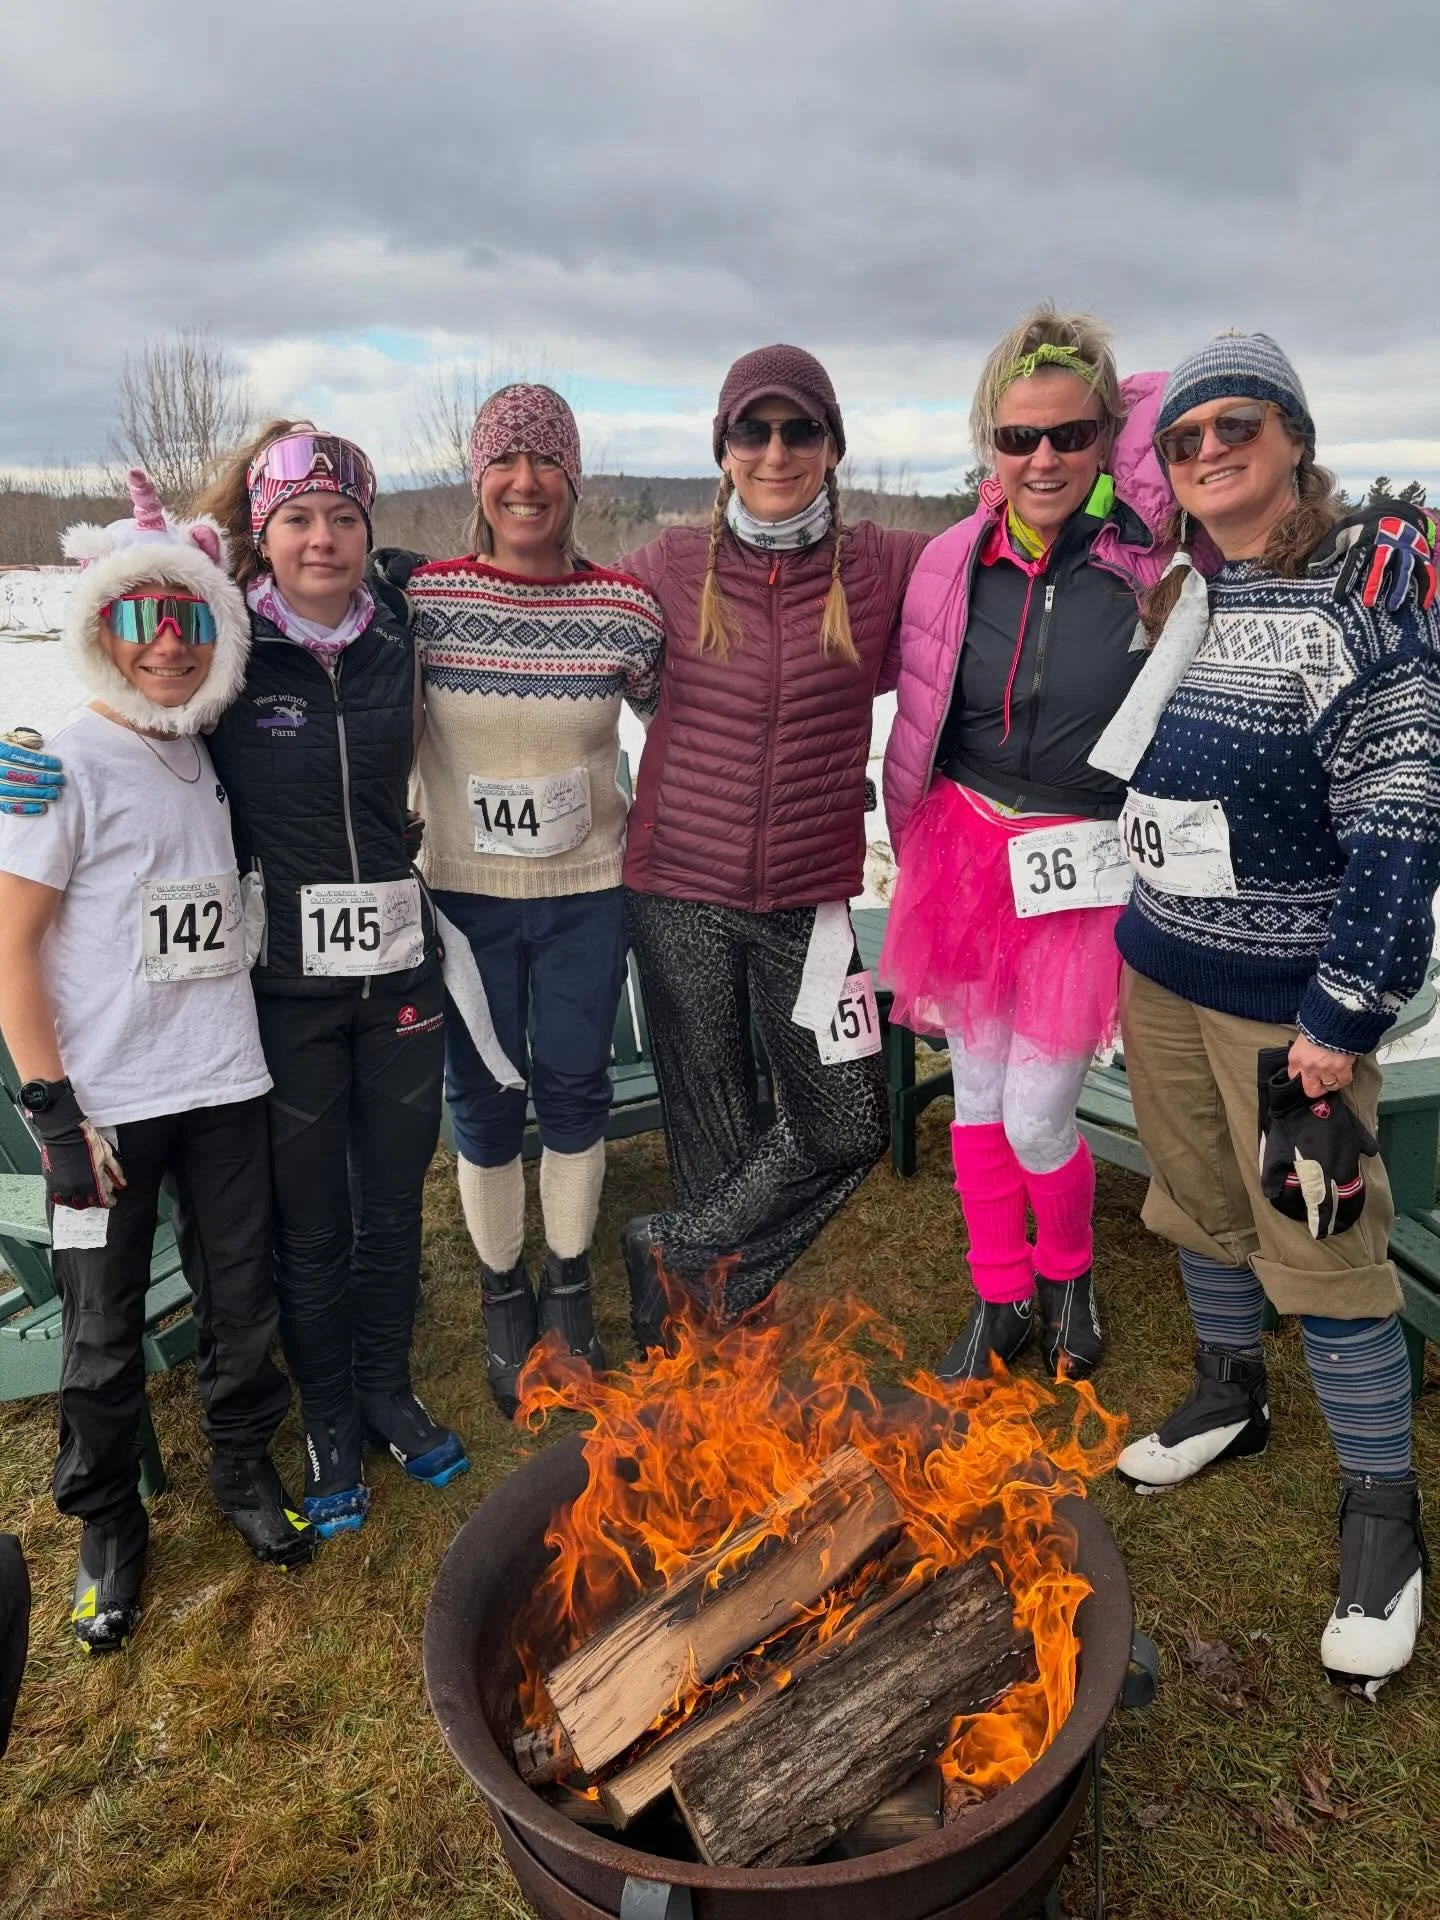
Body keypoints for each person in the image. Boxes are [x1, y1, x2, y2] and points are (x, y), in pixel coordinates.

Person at [1109, 332, 1440, 1697]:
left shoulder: (1360, 604)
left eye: (1235, 426)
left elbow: (1404, 826)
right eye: (1184, 440)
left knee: (1324, 1245)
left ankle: (1382, 1512)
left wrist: (1342, 1011)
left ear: (1295, 438)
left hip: (1284, 1011)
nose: (1207, 453)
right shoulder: (1194, 594)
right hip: (1163, 972)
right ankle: (1229, 1393)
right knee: (1196, 1200)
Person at [0, 472, 315, 1652]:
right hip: (106, 1111)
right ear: (100, 627)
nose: (167, 645)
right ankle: (106, 1522)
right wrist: (53, 1110)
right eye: (139, 617)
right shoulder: (59, 763)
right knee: (99, 1329)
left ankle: (241, 1463)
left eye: (190, 617)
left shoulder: (207, 749)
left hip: (224, 1084)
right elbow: (10, 948)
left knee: (243, 1297)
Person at [880, 307, 1186, 1383]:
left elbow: (1178, 401)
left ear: (1108, 440)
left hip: (1082, 865)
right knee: (975, 1100)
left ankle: (1068, 1273)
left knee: (1037, 1111)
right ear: (990, 447)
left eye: (1071, 433)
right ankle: (1000, 1292)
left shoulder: (1150, 565)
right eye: (1019, 437)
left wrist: (1120, 406)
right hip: (967, 853)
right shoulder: (953, 559)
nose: (1043, 458)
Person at [183, 423, 467, 1532]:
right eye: (298, 519)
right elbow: (134, 711)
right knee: (313, 1225)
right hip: (287, 992)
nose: (322, 539)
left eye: (343, 518)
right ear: (264, 534)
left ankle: (387, 1388)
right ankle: (331, 1417)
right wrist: (37, 762)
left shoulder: (399, 631)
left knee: (393, 1207)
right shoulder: (227, 648)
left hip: (400, 980)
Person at [616, 344, 928, 1349]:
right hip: (679, 890)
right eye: (753, 429)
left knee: (850, 1117)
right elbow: (566, 613)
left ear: (832, 445)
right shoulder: (667, 566)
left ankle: (667, 1251)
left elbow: (1008, 539)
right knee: (712, 1126)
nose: (776, 451)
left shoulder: (886, 564)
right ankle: (716, 1337)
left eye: (801, 429)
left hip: (812, 902)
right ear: (724, 448)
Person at [402, 386, 664, 1417]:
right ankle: (502, 1292)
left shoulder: (623, 610)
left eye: (545, 460)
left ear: (573, 477)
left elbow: (691, 725)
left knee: (573, 1086)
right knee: (480, 1097)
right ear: (479, 480)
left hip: (585, 896)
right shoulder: (425, 604)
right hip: (463, 901)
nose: (525, 482)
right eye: (504, 463)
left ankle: (568, 1285)